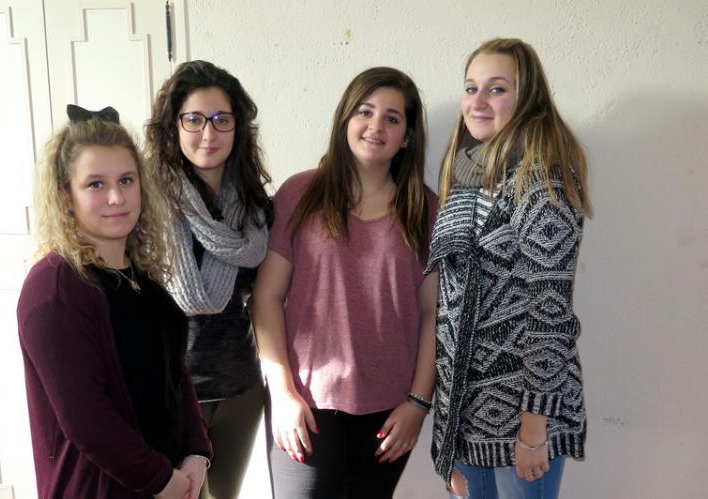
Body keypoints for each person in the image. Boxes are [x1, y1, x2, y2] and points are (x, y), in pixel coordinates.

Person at [252, 67, 438, 499]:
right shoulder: (301, 194)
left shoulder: (425, 209)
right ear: (345, 119)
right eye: (365, 111)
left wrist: (418, 403)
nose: (376, 126)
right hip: (305, 406)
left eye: (392, 118)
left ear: (407, 136)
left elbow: (434, 314)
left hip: (389, 413)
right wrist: (281, 391)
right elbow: (266, 297)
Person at [17, 105, 212, 499]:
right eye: (95, 184)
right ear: (66, 196)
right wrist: (161, 480)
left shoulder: (141, 278)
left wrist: (196, 451)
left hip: (167, 479)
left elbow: (175, 375)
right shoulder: (53, 289)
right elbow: (87, 420)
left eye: (126, 180)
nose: (116, 197)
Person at [427, 38, 592, 499]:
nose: (477, 101)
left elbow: (550, 312)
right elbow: (451, 308)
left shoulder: (542, 180)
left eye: (496, 89)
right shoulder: (466, 177)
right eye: (471, 88)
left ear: (528, 97)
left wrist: (533, 430)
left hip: (523, 422)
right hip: (468, 419)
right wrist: (448, 430)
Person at [145, 60, 272, 499]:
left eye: (221, 119)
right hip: (170, 393)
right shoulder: (146, 205)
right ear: (173, 126)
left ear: (238, 127)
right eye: (194, 119)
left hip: (240, 389)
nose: (208, 133)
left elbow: (266, 297)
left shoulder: (255, 208)